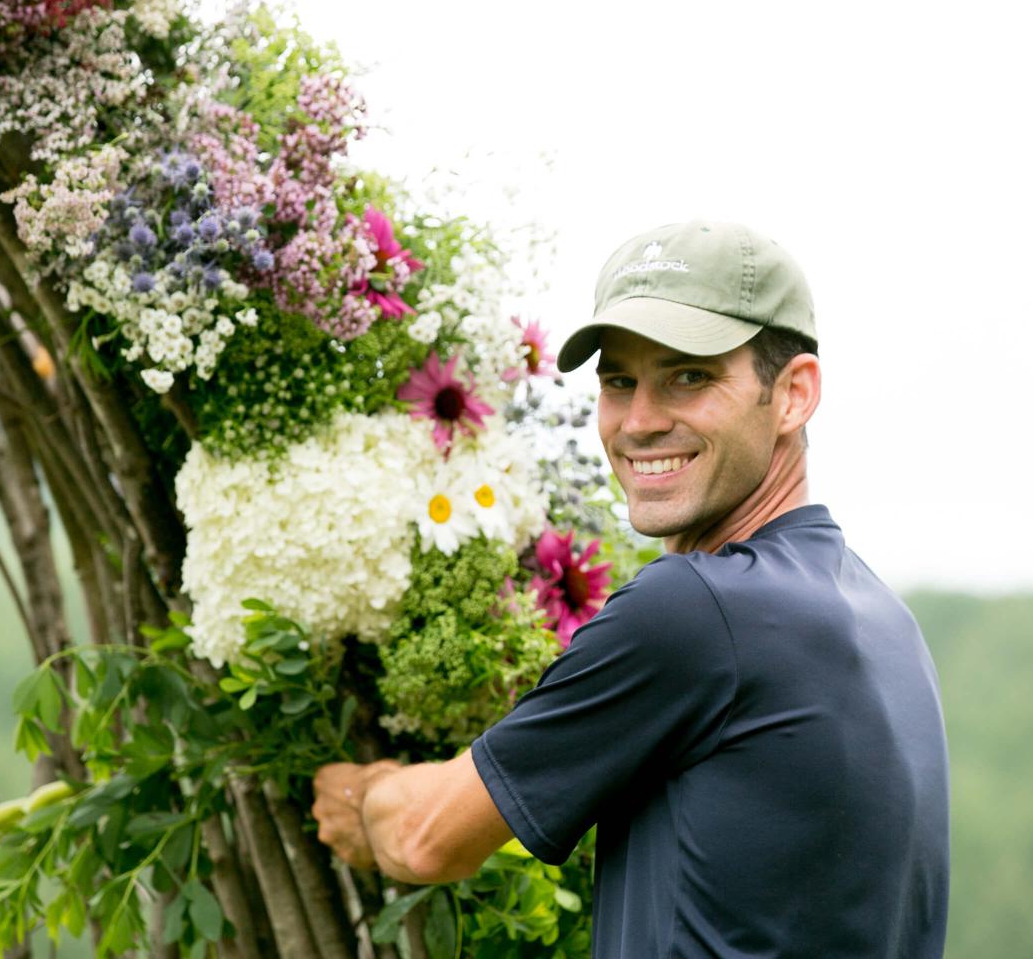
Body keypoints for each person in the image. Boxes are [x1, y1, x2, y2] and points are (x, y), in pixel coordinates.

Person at [313, 221, 951, 958]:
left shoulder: (699, 611)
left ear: (793, 394)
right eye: (619, 381)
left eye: (690, 376)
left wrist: (363, 794)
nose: (640, 422)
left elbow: (428, 840)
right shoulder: (882, 619)